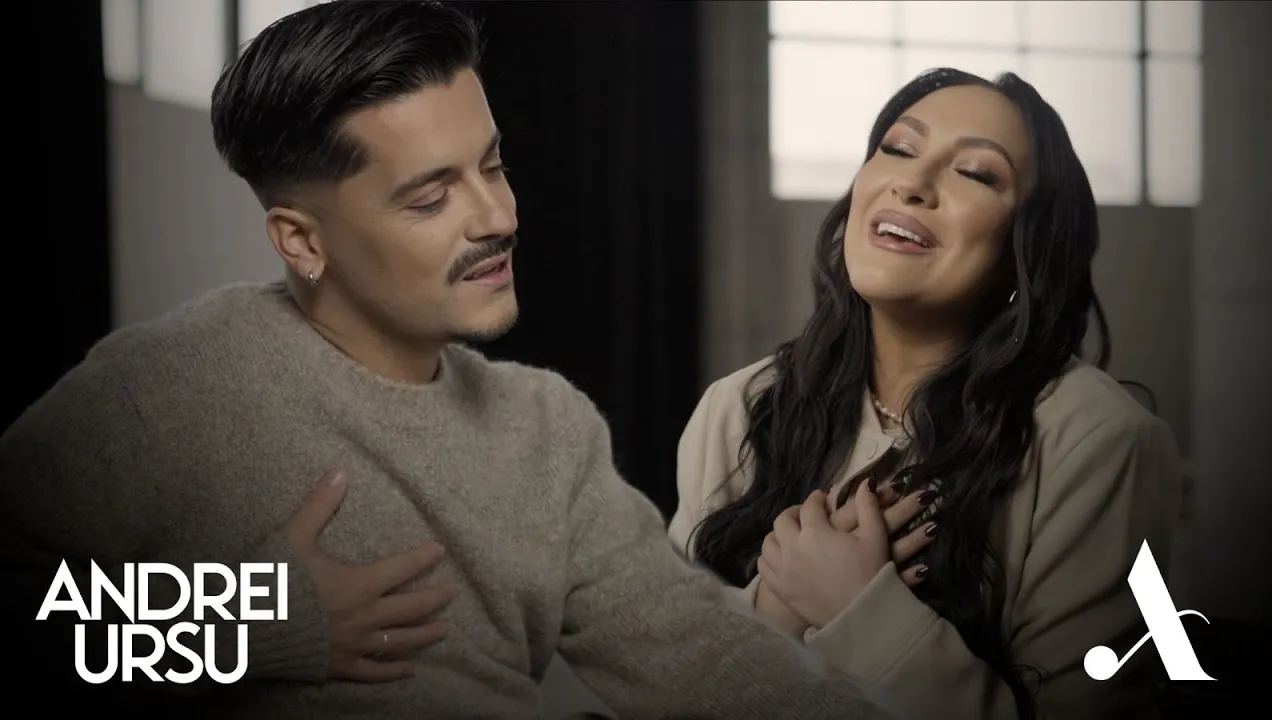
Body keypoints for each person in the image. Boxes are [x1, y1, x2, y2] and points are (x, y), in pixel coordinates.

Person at [0, 2, 904, 718]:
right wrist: (251, 620)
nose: (498, 218)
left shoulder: (544, 429)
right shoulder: (168, 389)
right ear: (301, 240)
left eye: (493, 167)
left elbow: (697, 655)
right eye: (431, 198)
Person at [670, 68, 1184, 720]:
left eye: (976, 173)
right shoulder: (739, 407)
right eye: (898, 148)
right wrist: (774, 605)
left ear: (1026, 246)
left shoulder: (1099, 440)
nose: (911, 184)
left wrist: (859, 610)